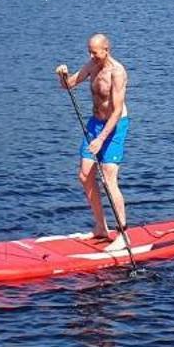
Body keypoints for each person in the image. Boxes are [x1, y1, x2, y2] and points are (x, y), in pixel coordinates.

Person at [56, 33, 129, 248]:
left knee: (108, 179)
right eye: (89, 52)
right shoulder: (91, 65)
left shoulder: (118, 73)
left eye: (95, 53)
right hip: (95, 124)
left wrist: (101, 139)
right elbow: (68, 85)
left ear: (107, 50)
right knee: (84, 175)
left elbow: (116, 112)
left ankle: (123, 235)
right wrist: (63, 75)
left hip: (114, 127)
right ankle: (100, 227)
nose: (91, 56)